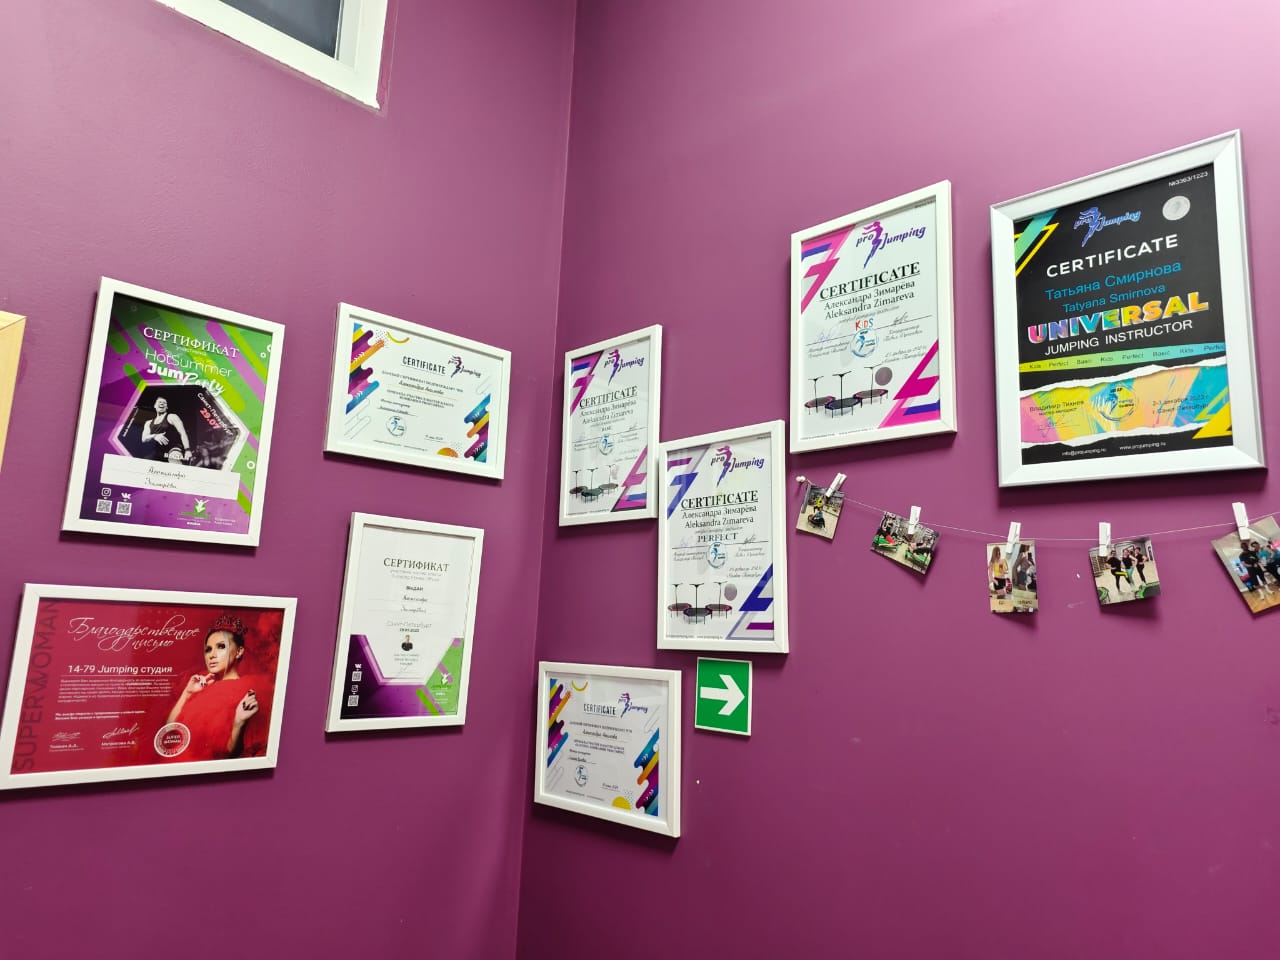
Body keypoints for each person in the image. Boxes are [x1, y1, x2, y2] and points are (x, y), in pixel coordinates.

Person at [166, 615, 272, 760]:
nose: (212, 655)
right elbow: (169, 730)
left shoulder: (245, 691)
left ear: (239, 651)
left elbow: (228, 753)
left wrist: (239, 723)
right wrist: (187, 693)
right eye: (208, 649)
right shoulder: (202, 686)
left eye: (221, 647)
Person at [141, 395, 191, 462]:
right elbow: (144, 439)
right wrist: (154, 436)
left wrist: (187, 450)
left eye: (164, 403)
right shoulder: (148, 423)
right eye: (159, 402)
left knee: (173, 457)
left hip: (174, 448)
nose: (162, 403)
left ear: (166, 407)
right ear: (155, 406)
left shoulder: (172, 417)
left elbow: (183, 433)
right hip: (159, 452)